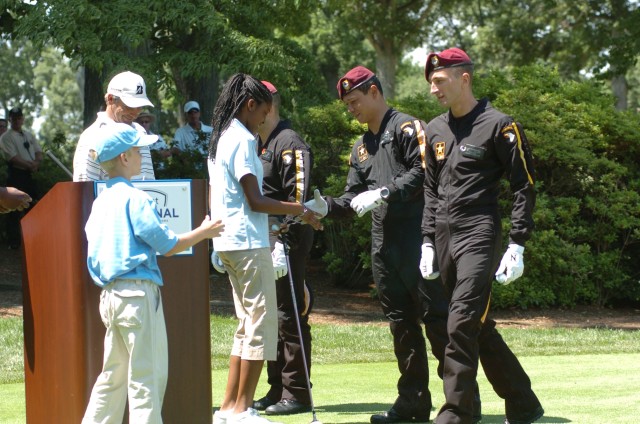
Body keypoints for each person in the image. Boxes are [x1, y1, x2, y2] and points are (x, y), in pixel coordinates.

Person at [326, 66, 475, 424]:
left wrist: (384, 191)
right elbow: (352, 196)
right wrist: (325, 208)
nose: (352, 109)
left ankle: (461, 404)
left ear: (375, 92)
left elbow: (424, 171)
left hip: (419, 238)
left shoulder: (408, 128)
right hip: (384, 244)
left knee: (438, 320)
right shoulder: (361, 148)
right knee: (401, 324)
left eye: (355, 101)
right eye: (347, 105)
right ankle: (413, 402)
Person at [420, 47, 544, 424]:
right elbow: (430, 188)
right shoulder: (434, 129)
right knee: (471, 324)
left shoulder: (499, 125)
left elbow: (525, 186)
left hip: (478, 232)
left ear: (464, 79)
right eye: (430, 83)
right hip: (443, 235)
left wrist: (517, 243)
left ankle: (458, 412)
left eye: (439, 81)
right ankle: (523, 404)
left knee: (459, 322)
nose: (433, 90)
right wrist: (426, 239)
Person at [82, 122, 224, 423]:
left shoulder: (100, 202)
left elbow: (93, 258)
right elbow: (168, 244)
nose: (142, 154)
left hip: (110, 297)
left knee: (113, 377)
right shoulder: (136, 198)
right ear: (124, 158)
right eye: (138, 150)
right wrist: (204, 231)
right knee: (147, 376)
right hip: (137, 296)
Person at [207, 73, 324, 424]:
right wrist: (300, 208)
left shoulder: (220, 137)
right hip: (248, 242)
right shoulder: (242, 139)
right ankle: (241, 409)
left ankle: (229, 407)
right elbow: (255, 201)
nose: (264, 119)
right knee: (260, 326)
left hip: (229, 242)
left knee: (246, 326)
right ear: (250, 105)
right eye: (263, 111)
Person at [249, 80, 325, 416]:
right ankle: (276, 387)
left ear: (267, 106)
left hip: (288, 239)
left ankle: (297, 393)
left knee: (289, 315)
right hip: (267, 239)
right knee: (272, 317)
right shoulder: (257, 143)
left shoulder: (289, 142)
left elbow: (300, 199)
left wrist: (281, 235)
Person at [73, 70, 156, 181]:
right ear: (111, 99)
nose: (136, 112)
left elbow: (150, 182)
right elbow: (85, 191)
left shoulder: (140, 132)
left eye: (140, 106)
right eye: (130, 105)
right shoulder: (91, 136)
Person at [0, 107, 43, 249]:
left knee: (33, 205)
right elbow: (12, 157)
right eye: (14, 118)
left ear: (23, 118)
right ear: (10, 119)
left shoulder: (28, 135)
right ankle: (14, 242)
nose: (17, 121)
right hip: (17, 174)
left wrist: (36, 163)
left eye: (19, 118)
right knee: (13, 208)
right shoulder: (6, 137)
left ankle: (34, 239)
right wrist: (30, 165)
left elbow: (38, 151)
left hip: (29, 174)